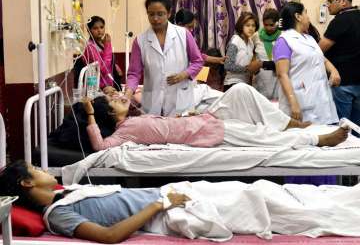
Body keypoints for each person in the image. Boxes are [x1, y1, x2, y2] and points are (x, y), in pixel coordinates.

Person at [3, 161, 360, 243]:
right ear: (26, 183)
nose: (43, 168)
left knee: (263, 188)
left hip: (176, 193)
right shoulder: (58, 215)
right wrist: (161, 206)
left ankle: (345, 199)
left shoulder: (66, 194)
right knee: (256, 197)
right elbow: (109, 237)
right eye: (36, 167)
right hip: (171, 207)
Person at [83, 83, 348, 151]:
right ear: (108, 113)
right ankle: (315, 141)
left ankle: (290, 123)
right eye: (112, 101)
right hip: (203, 133)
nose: (118, 96)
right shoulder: (124, 131)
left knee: (241, 90)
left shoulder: (135, 116)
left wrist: (189, 114)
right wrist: (91, 115)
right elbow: (100, 146)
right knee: (261, 136)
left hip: (201, 118)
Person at [125, 0, 204, 117]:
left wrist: (184, 74)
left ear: (169, 13)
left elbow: (198, 61)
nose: (155, 19)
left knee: (179, 134)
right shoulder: (140, 41)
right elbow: (134, 73)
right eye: (151, 14)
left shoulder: (183, 34)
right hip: (152, 102)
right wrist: (128, 93)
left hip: (180, 101)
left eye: (160, 14)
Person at [273, 1, 339, 125]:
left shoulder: (309, 39)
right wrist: (293, 102)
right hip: (300, 102)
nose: (308, 18)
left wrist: (334, 70)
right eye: (306, 13)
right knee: (307, 140)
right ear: (298, 17)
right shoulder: (284, 40)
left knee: (326, 137)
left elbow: (321, 58)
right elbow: (282, 74)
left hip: (321, 101)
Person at [319, 0, 360, 130]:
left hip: (342, 84)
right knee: (357, 129)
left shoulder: (340, 21)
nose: (327, 5)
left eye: (330, 1)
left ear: (343, 1)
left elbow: (318, 50)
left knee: (340, 129)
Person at [223, 12, 262, 91]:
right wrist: (247, 69)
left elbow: (250, 65)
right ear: (241, 26)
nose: (251, 28)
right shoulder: (235, 40)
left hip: (245, 84)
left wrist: (255, 69)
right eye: (247, 25)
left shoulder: (251, 43)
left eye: (253, 26)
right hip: (232, 84)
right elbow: (228, 65)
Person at [82, 16, 122, 90]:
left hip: (108, 83)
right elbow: (103, 69)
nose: (99, 30)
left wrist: (115, 65)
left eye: (101, 27)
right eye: (95, 28)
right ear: (89, 30)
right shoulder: (90, 47)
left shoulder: (101, 43)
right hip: (98, 87)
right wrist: (108, 46)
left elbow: (108, 60)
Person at [252, 8, 281, 99]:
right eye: (265, 25)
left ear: (277, 23)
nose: (268, 28)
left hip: (278, 80)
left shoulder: (283, 36)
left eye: (271, 25)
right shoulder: (256, 36)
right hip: (261, 80)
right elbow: (251, 55)